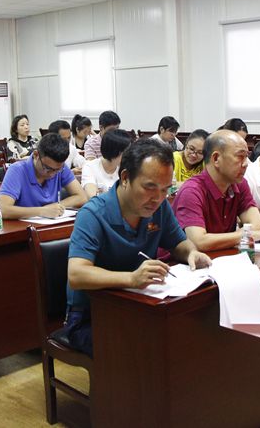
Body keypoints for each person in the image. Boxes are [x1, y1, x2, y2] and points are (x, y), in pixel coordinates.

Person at [65, 139, 212, 356]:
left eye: (165, 189)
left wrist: (191, 252)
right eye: (149, 187)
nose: (158, 198)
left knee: (192, 334)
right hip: (92, 316)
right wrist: (132, 279)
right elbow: (77, 274)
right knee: (151, 349)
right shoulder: (93, 214)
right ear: (125, 178)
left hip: (140, 307)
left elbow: (178, 243)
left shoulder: (159, 208)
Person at [172, 130, 260, 250]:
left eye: (246, 157)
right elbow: (199, 242)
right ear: (216, 158)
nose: (245, 164)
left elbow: (258, 227)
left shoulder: (239, 184)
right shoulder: (192, 191)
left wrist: (244, 234)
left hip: (222, 256)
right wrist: (244, 235)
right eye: (240, 156)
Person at [0, 133, 87, 219]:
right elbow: (3, 209)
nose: (52, 174)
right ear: (36, 155)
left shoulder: (60, 167)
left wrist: (57, 206)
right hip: (23, 227)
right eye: (47, 168)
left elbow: (82, 197)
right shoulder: (17, 170)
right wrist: (42, 211)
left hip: (51, 225)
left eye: (57, 170)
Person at [81, 129, 131, 198]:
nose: (129, 155)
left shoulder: (126, 169)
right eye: (126, 152)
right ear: (115, 151)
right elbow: (93, 197)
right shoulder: (90, 167)